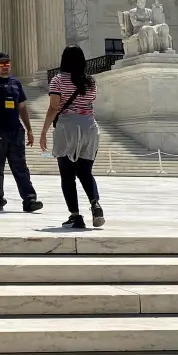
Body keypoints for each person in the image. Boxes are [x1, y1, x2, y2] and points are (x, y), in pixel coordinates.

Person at [38, 46, 103, 229]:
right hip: (90, 127)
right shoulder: (91, 81)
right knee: (85, 172)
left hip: (67, 127)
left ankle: (75, 216)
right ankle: (95, 203)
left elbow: (53, 107)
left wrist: (43, 132)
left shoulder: (58, 80)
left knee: (67, 175)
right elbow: (89, 102)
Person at [0, 52, 43, 213]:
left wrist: (29, 129)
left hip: (16, 131)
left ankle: (29, 200)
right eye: (1, 64)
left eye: (7, 64)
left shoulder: (16, 83)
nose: (5, 67)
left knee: (20, 167)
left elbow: (22, 108)